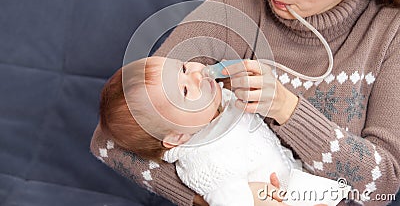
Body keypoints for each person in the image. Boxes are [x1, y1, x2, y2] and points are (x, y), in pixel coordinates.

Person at [91, 0, 400, 205]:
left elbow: (382, 186)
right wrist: (221, 196)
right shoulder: (231, 9)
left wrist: (288, 110)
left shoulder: (389, 35)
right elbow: (111, 140)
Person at [100, 56, 347, 206]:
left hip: (304, 183)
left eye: (184, 68)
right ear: (177, 137)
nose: (198, 75)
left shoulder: (216, 107)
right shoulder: (206, 165)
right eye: (185, 91)